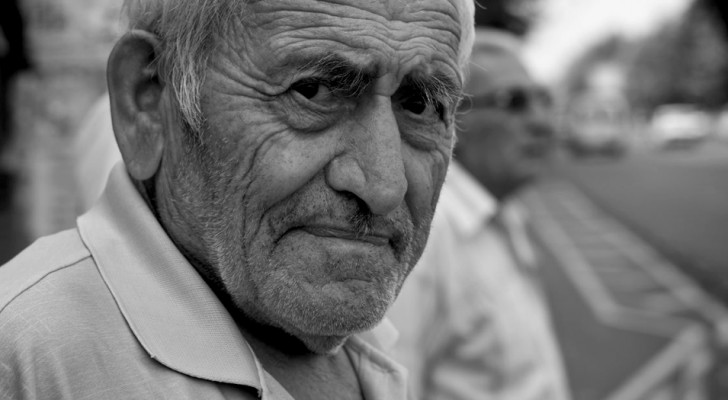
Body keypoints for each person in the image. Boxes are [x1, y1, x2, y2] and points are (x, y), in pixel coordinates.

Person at [0, 0, 475, 398]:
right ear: (147, 101)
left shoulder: (364, 353)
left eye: (420, 105)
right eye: (312, 91)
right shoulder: (29, 356)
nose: (384, 185)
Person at [387, 28, 570, 400]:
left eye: (543, 99)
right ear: (452, 119)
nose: (542, 123)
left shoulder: (502, 212)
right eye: (514, 101)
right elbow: (393, 389)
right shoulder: (426, 235)